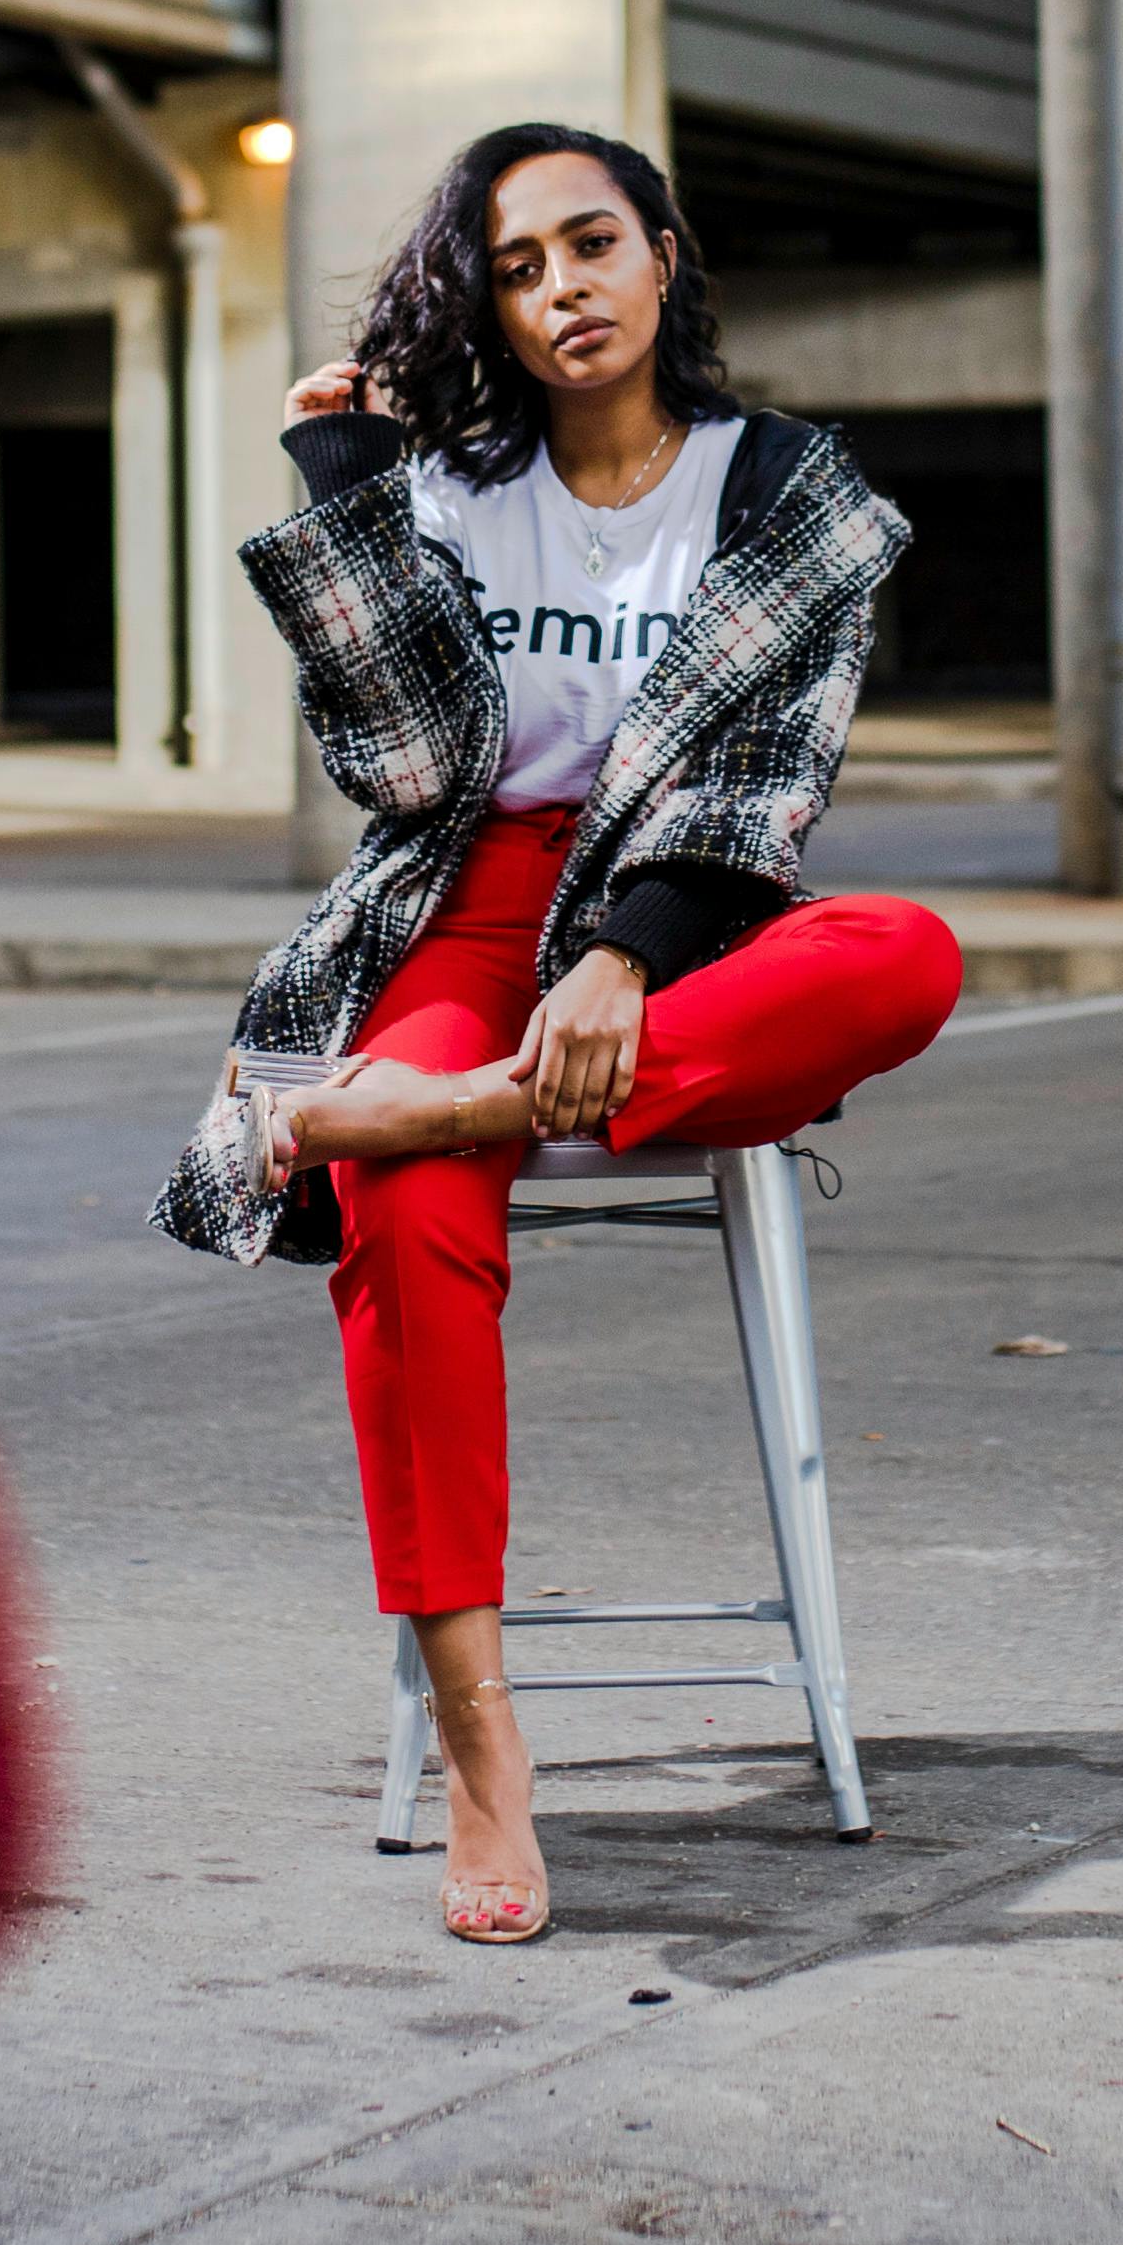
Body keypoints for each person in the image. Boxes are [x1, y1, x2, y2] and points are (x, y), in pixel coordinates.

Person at [152, 121, 965, 1946]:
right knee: (407, 1216)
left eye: (591, 244)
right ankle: (480, 1736)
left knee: (905, 955)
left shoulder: (790, 494)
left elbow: (771, 785)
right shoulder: (454, 493)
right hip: (466, 902)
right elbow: (400, 772)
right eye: (517, 271)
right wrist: (352, 495)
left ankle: (425, 1110)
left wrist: (620, 960)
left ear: (662, 253)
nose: (563, 291)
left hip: (688, 914)